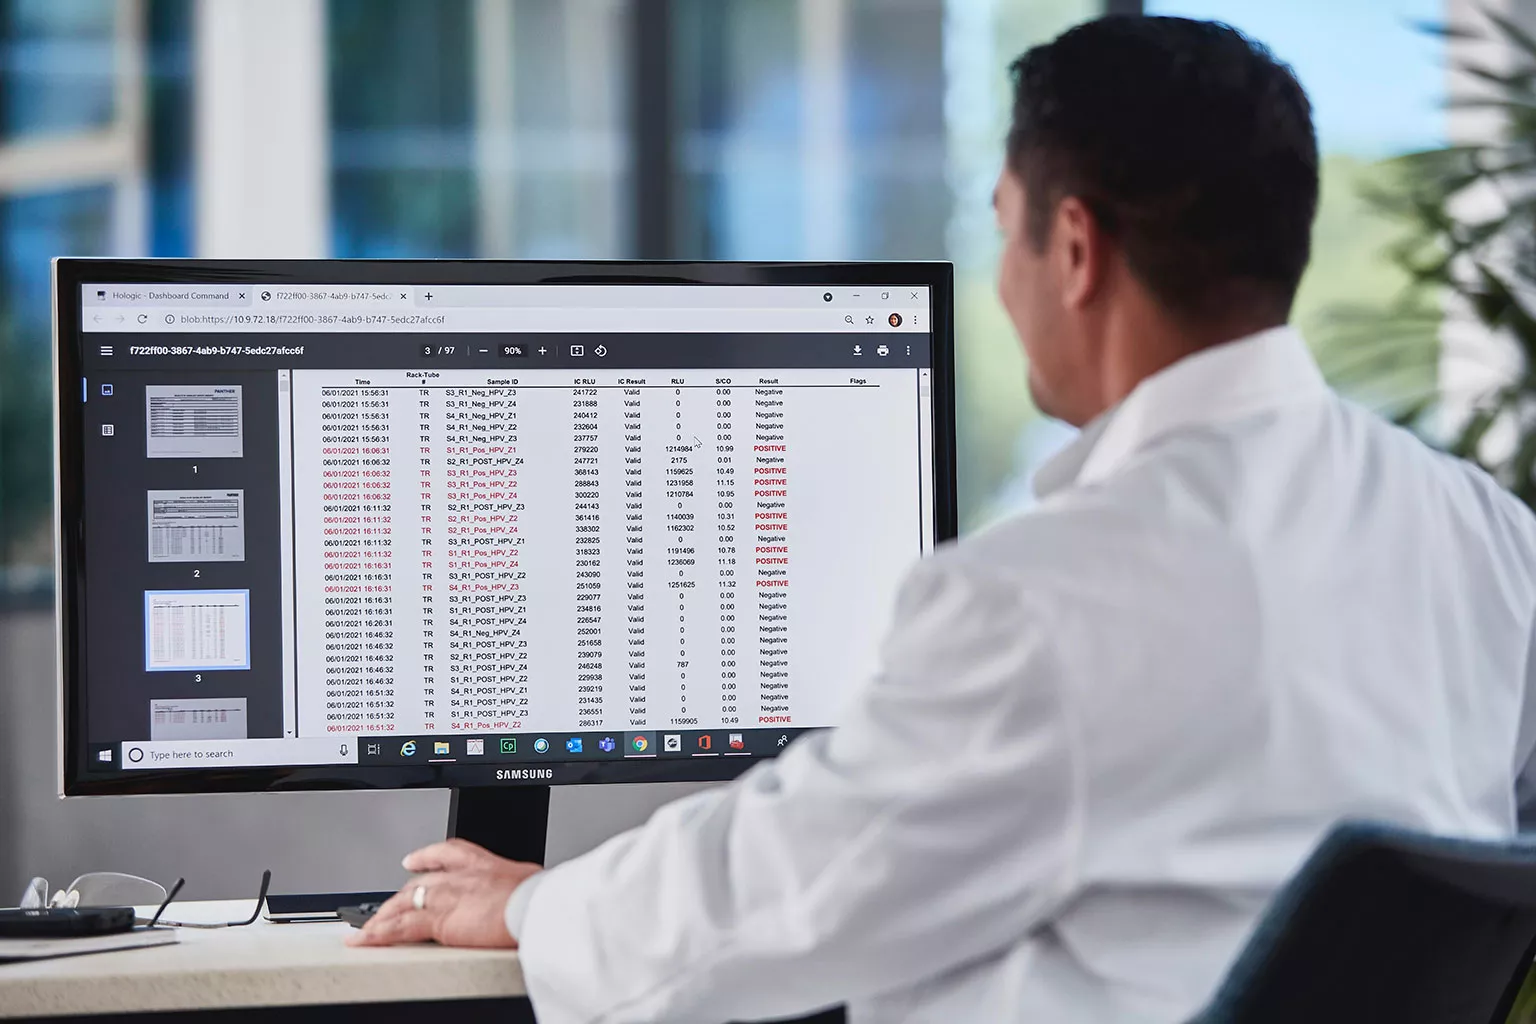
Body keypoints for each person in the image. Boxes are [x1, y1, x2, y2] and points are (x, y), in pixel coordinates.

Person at [351, 15, 1536, 1024]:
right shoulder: (1485, 535)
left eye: (1002, 223)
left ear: (1073, 247)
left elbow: (785, 886)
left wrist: (527, 904)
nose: (1002, 276)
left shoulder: (1048, 597)